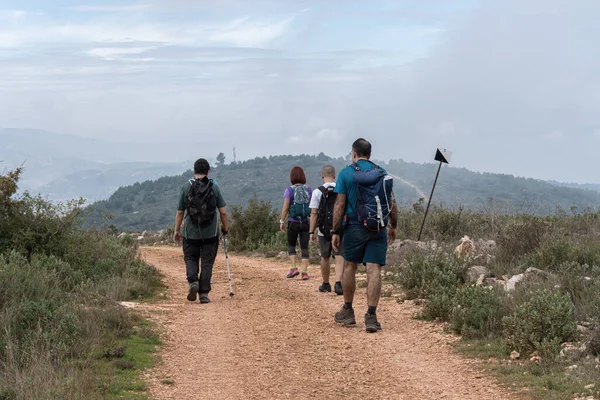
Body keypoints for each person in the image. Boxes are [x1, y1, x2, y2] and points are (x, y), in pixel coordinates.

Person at [331, 138, 398, 333]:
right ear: (369, 154)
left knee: (350, 266)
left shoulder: (345, 173)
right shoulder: (381, 173)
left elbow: (340, 204)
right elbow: (390, 202)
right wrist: (393, 225)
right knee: (374, 268)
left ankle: (348, 311)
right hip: (378, 227)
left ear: (353, 153)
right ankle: (371, 316)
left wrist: (335, 230)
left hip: (353, 227)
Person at [173, 158, 229, 304]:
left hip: (190, 233)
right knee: (207, 262)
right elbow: (223, 212)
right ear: (208, 171)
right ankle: (204, 294)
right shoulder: (214, 187)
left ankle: (193, 282)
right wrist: (225, 228)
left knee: (190, 258)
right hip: (210, 234)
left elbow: (180, 212)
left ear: (194, 171)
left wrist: (177, 231)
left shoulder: (186, 187)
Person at [309, 165, 344, 295]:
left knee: (325, 257)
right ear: (335, 175)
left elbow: (314, 213)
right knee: (339, 255)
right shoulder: (341, 189)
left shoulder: (317, 192)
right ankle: (339, 283)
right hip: (339, 229)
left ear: (322, 176)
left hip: (323, 230)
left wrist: (311, 231)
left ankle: (325, 284)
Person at [280, 166, 313, 280]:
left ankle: (294, 268)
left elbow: (285, 207)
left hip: (293, 222)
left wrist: (282, 220)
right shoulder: (308, 189)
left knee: (291, 245)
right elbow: (313, 207)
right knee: (304, 247)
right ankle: (304, 272)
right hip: (305, 221)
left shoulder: (289, 190)